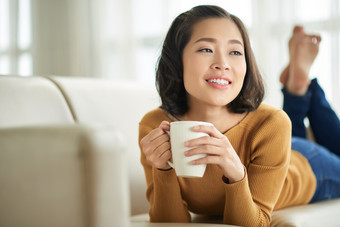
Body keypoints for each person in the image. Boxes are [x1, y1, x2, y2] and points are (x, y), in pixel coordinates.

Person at [138, 5, 340, 227]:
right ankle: (298, 89)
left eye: (235, 52)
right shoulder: (155, 126)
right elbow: (168, 222)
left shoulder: (271, 123)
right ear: (178, 61)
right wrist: (162, 169)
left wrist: (236, 173)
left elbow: (255, 222)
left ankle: (299, 88)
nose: (223, 64)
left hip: (308, 168)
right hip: (274, 146)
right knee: (290, 129)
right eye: (206, 49)